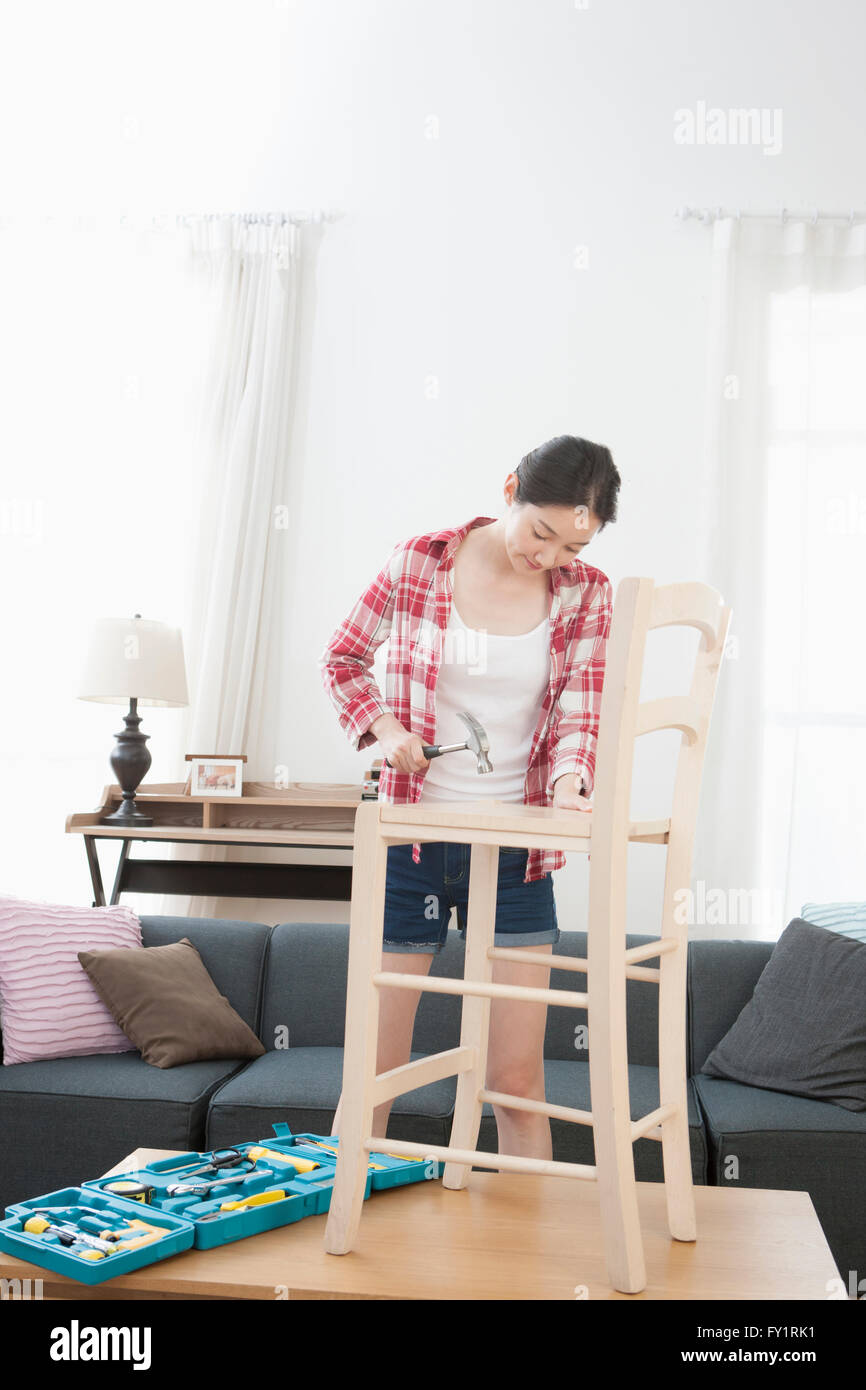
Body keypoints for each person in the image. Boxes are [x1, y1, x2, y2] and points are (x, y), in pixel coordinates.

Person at [318, 434, 620, 1159]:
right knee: (376, 1073)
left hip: (518, 851)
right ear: (510, 487)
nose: (548, 558)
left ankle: (529, 1270)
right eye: (541, 533)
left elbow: (582, 712)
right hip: (412, 840)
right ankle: (335, 1245)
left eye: (570, 547)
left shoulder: (588, 594)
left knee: (516, 1079)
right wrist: (384, 729)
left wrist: (573, 785)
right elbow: (343, 658)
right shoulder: (420, 563)